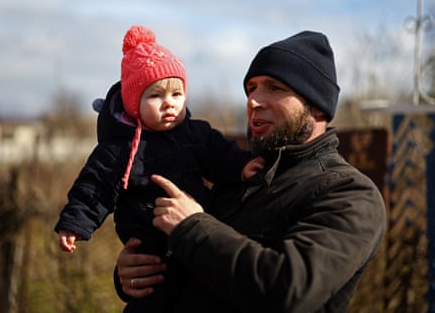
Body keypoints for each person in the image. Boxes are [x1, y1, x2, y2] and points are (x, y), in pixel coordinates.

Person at [115, 30, 387, 312]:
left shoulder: (350, 194)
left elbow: (289, 288)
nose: (253, 101)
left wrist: (192, 226)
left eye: (275, 88)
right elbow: (198, 265)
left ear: (316, 106)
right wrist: (137, 271)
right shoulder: (237, 176)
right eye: (252, 88)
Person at [54, 25, 262, 312]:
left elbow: (220, 153)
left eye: (177, 95)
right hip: (148, 247)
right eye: (156, 96)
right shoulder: (118, 149)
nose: (169, 105)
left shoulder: (195, 133)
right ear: (133, 102)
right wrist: (75, 224)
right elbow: (93, 189)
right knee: (151, 300)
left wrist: (242, 166)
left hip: (195, 234)